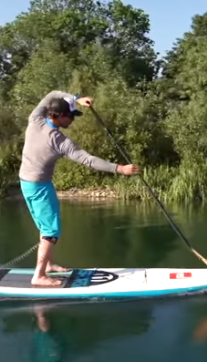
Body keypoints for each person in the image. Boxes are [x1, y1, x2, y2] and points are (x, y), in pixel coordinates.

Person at [19, 90, 140, 286]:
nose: (72, 121)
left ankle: (48, 264)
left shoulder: (35, 119)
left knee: (46, 224)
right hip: (38, 186)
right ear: (58, 116)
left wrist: (75, 99)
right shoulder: (58, 140)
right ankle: (39, 276)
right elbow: (88, 160)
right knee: (51, 231)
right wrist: (120, 169)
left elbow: (51, 94)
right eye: (70, 116)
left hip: (27, 182)